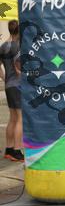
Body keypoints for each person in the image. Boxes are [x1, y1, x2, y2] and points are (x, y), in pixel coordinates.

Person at [0, 20, 23, 162]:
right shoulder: (18, 46)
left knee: (13, 118)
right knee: (20, 118)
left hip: (9, 85)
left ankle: (9, 149)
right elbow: (18, 67)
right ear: (19, 31)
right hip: (18, 86)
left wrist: (5, 78)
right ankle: (17, 150)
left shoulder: (3, 46)